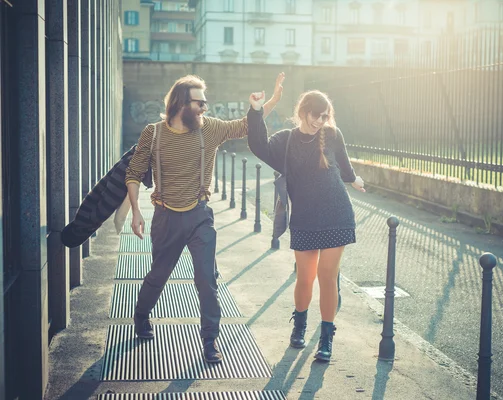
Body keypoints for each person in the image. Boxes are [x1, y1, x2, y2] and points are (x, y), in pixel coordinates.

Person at [125, 73, 284, 363]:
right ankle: (141, 315)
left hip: (199, 216)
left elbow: (247, 125)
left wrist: (267, 103)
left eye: (205, 103)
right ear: (181, 103)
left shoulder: (209, 129)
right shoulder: (154, 133)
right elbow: (134, 172)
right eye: (200, 103)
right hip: (165, 217)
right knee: (158, 276)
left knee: (207, 280)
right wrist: (136, 211)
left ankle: (210, 341)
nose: (205, 108)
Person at [246, 80, 365, 362]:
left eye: (325, 116)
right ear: (302, 111)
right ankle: (299, 326)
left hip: (337, 215)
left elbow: (345, 167)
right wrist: (255, 110)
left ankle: (326, 337)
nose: (320, 121)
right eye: (316, 115)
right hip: (304, 218)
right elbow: (257, 144)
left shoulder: (333, 134)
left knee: (327, 277)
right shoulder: (285, 141)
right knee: (305, 279)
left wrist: (355, 180)